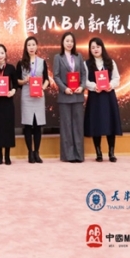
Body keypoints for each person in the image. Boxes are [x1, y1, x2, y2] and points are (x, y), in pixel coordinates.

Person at [84, 37, 122, 162]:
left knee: (110, 123)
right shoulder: (86, 64)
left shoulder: (110, 62)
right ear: (90, 50)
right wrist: (94, 86)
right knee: (96, 124)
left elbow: (116, 78)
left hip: (108, 96)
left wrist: (111, 85)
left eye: (97, 47)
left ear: (102, 48)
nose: (95, 49)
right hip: (95, 97)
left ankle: (111, 153)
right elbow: (84, 81)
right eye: (93, 47)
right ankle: (98, 153)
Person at [53, 32, 87, 163]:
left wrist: (82, 87)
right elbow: (56, 76)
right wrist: (64, 88)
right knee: (66, 126)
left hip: (78, 96)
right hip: (65, 96)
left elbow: (83, 74)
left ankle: (79, 155)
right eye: (67, 41)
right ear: (63, 42)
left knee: (78, 126)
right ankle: (68, 155)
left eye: (71, 41)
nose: (69, 43)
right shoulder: (58, 57)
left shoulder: (79, 56)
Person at [16, 36, 49, 164]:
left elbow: (46, 79)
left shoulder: (42, 62)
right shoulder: (21, 63)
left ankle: (37, 152)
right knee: (28, 125)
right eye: (29, 45)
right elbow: (17, 81)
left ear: (37, 46)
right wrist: (25, 80)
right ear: (26, 47)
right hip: (27, 95)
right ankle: (30, 152)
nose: (31, 47)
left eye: (33, 44)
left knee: (38, 125)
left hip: (39, 96)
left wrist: (42, 88)